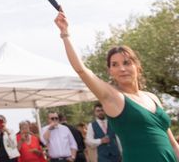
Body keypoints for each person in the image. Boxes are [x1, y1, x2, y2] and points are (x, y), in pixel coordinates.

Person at [55, 10, 179, 162]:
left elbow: (172, 143)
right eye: (115, 65)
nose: (122, 68)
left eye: (126, 63)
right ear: (110, 71)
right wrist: (65, 33)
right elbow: (81, 70)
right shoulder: (113, 97)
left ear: (137, 66)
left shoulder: (152, 97)